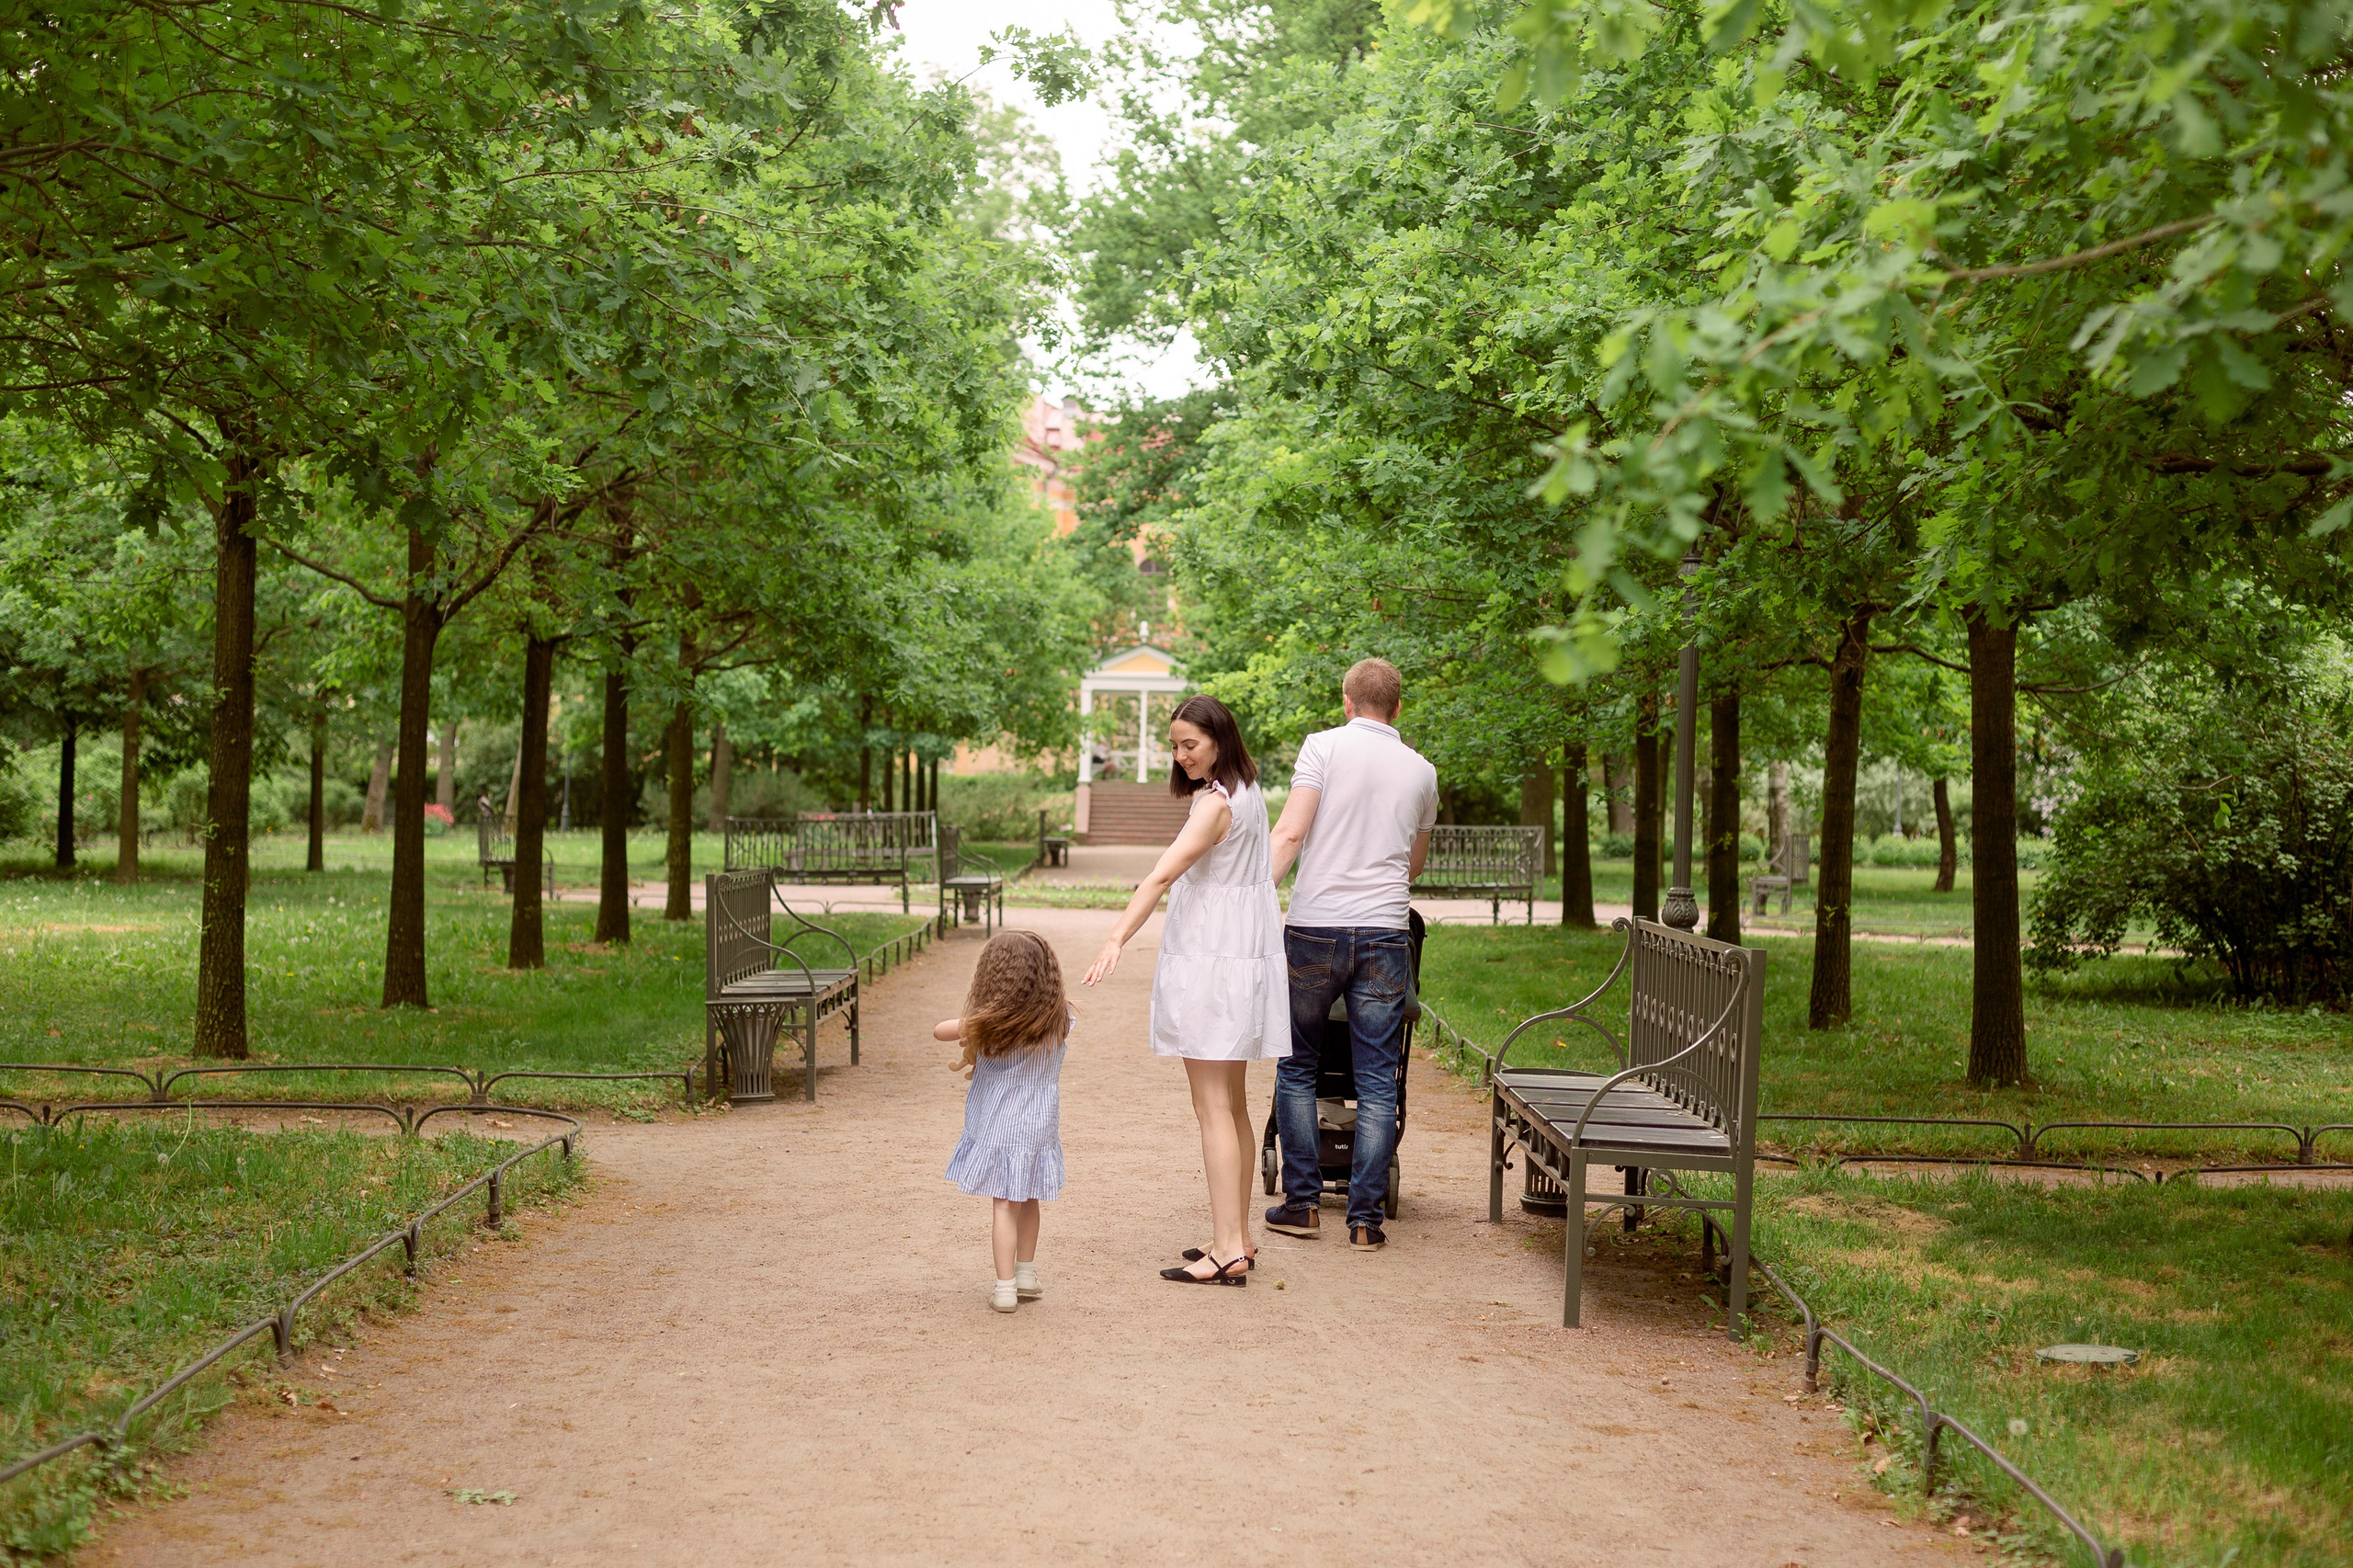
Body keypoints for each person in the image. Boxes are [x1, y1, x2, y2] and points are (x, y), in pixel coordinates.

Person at [1082, 694, 1287, 1287]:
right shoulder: (1248, 795)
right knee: (1236, 1107)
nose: (1181, 755)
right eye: (1174, 745)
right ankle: (1239, 1235)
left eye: (1190, 744)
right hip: (1237, 964)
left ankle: (1227, 1248)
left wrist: (1116, 937)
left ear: (1220, 740)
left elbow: (1162, 875)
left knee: (1213, 1108)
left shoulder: (1216, 806)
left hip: (1212, 968)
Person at [1264, 657, 1438, 1251]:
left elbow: (1289, 833)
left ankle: (1303, 1204)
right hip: (1386, 934)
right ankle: (1364, 1220)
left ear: (1346, 702)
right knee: (1376, 1079)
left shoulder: (1321, 748)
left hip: (1315, 926)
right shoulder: (1422, 771)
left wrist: (1252, 894)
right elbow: (1413, 866)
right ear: (1397, 707)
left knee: (1297, 1067)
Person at [938, 931, 1074, 1312]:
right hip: (1039, 1125)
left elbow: (940, 1031)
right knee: (1030, 1198)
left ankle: (1004, 1287)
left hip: (1001, 1125)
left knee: (1004, 1206)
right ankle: (1027, 1272)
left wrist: (975, 1019)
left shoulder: (989, 1022)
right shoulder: (1060, 1017)